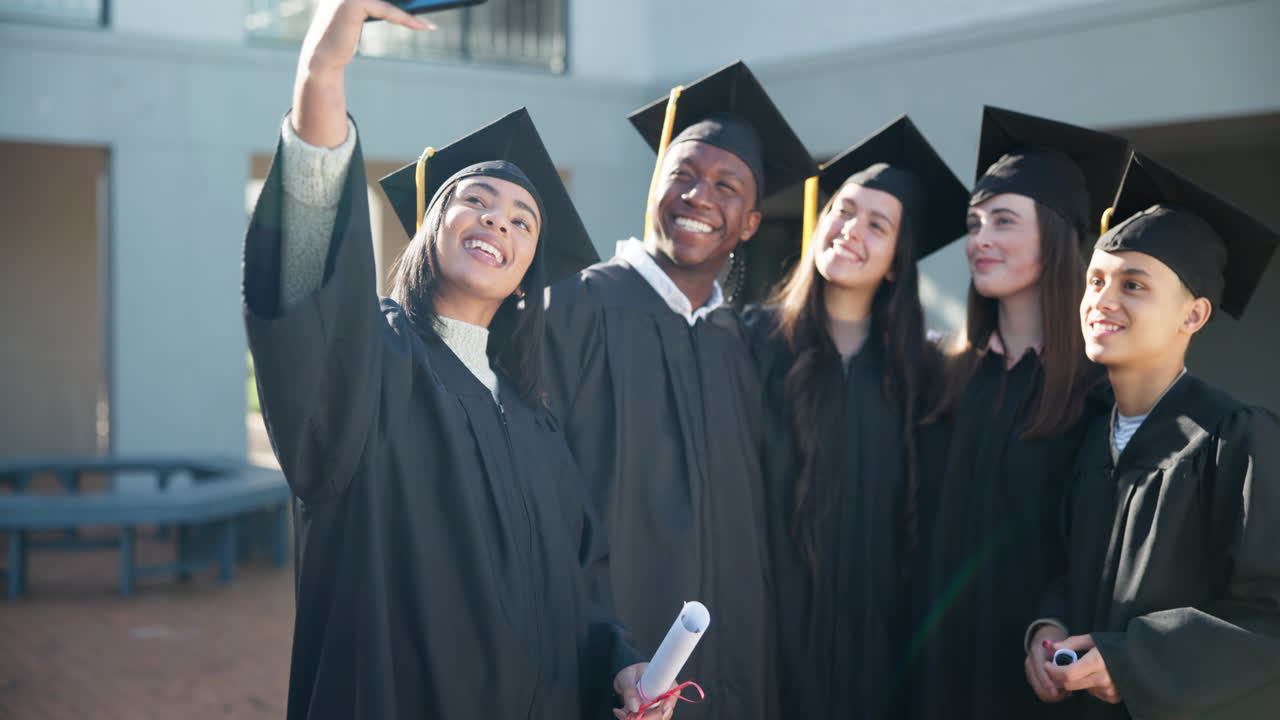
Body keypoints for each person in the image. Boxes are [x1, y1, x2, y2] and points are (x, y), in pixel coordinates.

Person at [241, 2, 663, 717]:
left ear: (529, 266)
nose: (498, 219)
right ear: (432, 228)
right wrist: (321, 76)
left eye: (522, 220)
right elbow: (310, 305)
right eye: (476, 200)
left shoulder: (539, 425)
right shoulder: (378, 365)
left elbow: (584, 595)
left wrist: (620, 668)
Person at [541, 61, 816, 720]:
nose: (699, 195)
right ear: (655, 189)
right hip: (610, 647)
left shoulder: (736, 341)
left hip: (735, 656)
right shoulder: (578, 304)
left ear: (749, 222)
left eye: (726, 186)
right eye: (683, 176)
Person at [1025, 152, 1280, 718]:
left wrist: (1132, 660)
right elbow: (1071, 570)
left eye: (1134, 284)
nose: (1102, 301)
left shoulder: (1233, 439)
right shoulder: (1090, 432)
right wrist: (1049, 627)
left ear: (1192, 317)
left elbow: (1268, 613)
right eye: (1096, 281)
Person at [741, 115, 969, 719]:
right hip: (769, 638)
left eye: (877, 224)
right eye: (842, 212)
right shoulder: (751, 345)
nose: (850, 230)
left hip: (881, 644)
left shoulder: (924, 376)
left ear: (897, 261)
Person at [913, 106, 1129, 719]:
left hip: (1038, 674)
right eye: (974, 223)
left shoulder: (1096, 393)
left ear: (1057, 236)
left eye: (1002, 222)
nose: (979, 239)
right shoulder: (950, 380)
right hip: (939, 669)